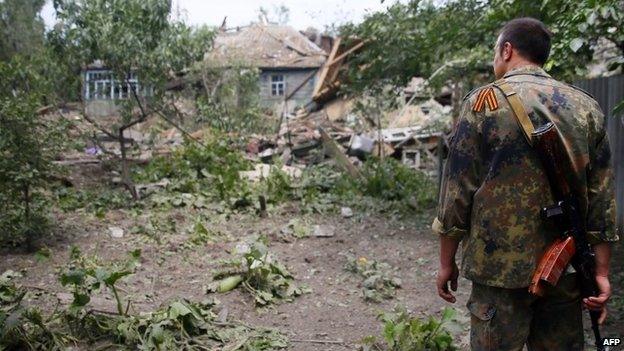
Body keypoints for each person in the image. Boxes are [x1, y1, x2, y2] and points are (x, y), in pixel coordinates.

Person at [433, 17, 619, 351]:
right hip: (565, 268)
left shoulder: (481, 104)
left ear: (507, 50)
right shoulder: (585, 107)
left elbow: (456, 192)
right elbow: (602, 196)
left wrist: (447, 261)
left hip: (497, 271)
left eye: (495, 51)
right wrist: (601, 271)